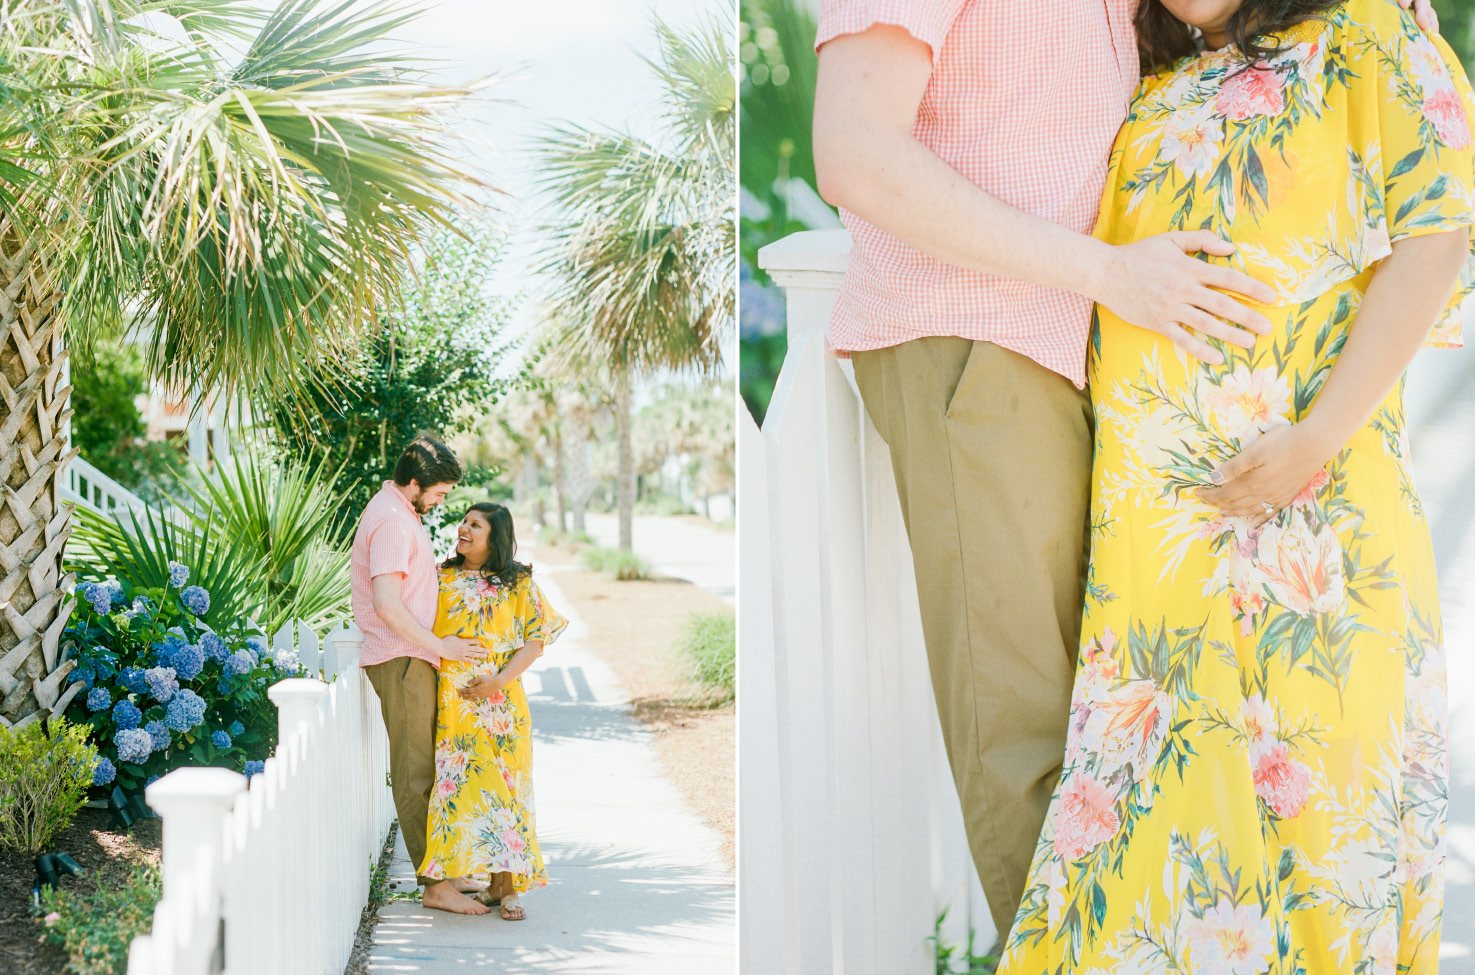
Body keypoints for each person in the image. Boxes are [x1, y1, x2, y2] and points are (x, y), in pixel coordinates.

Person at [811, 0, 1436, 944]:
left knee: (1119, 741)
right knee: (1045, 750)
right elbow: (853, 152)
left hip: (1082, 370)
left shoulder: (1218, 44)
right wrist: (1105, 273)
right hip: (978, 332)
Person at [995, 0, 1471, 969]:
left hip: (1318, 538)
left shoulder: (1364, 31)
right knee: (1155, 883)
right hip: (1154, 576)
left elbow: (1436, 234)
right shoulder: (1142, 89)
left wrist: (1314, 437)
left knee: (1324, 860)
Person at [351, 435, 493, 916]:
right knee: (415, 776)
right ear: (415, 484)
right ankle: (433, 886)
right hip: (403, 658)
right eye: (439, 493)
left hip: (412, 658)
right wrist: (443, 646)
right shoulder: (392, 521)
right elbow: (388, 604)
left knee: (429, 771)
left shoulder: (399, 513)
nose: (441, 502)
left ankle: (446, 872)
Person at [418, 502, 567, 922]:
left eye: (475, 525)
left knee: (507, 789)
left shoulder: (519, 582)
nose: (463, 528)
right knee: (462, 790)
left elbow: (536, 641)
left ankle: (507, 885)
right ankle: (471, 878)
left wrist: (498, 681)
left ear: (494, 536)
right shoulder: (440, 576)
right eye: (463, 521)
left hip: (502, 705)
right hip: (455, 709)